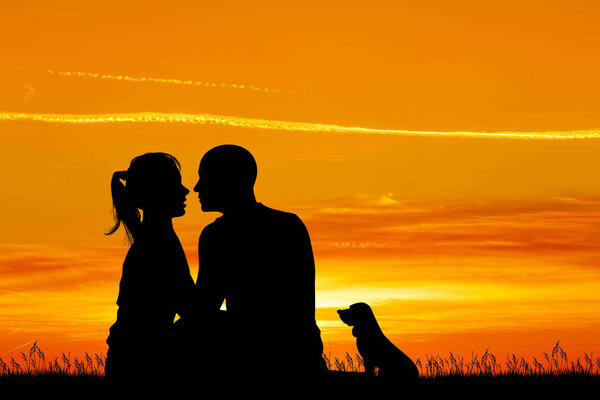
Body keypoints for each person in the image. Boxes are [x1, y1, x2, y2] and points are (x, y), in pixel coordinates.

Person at [193, 144, 327, 381]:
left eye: (205, 177)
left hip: (255, 358)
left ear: (230, 180)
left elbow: (203, 309)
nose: (197, 187)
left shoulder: (218, 235)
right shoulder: (290, 225)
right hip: (302, 353)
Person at [104, 152, 195, 383]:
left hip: (131, 357)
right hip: (142, 362)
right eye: (176, 184)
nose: (185, 191)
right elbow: (189, 309)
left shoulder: (154, 237)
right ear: (157, 191)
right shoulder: (159, 243)